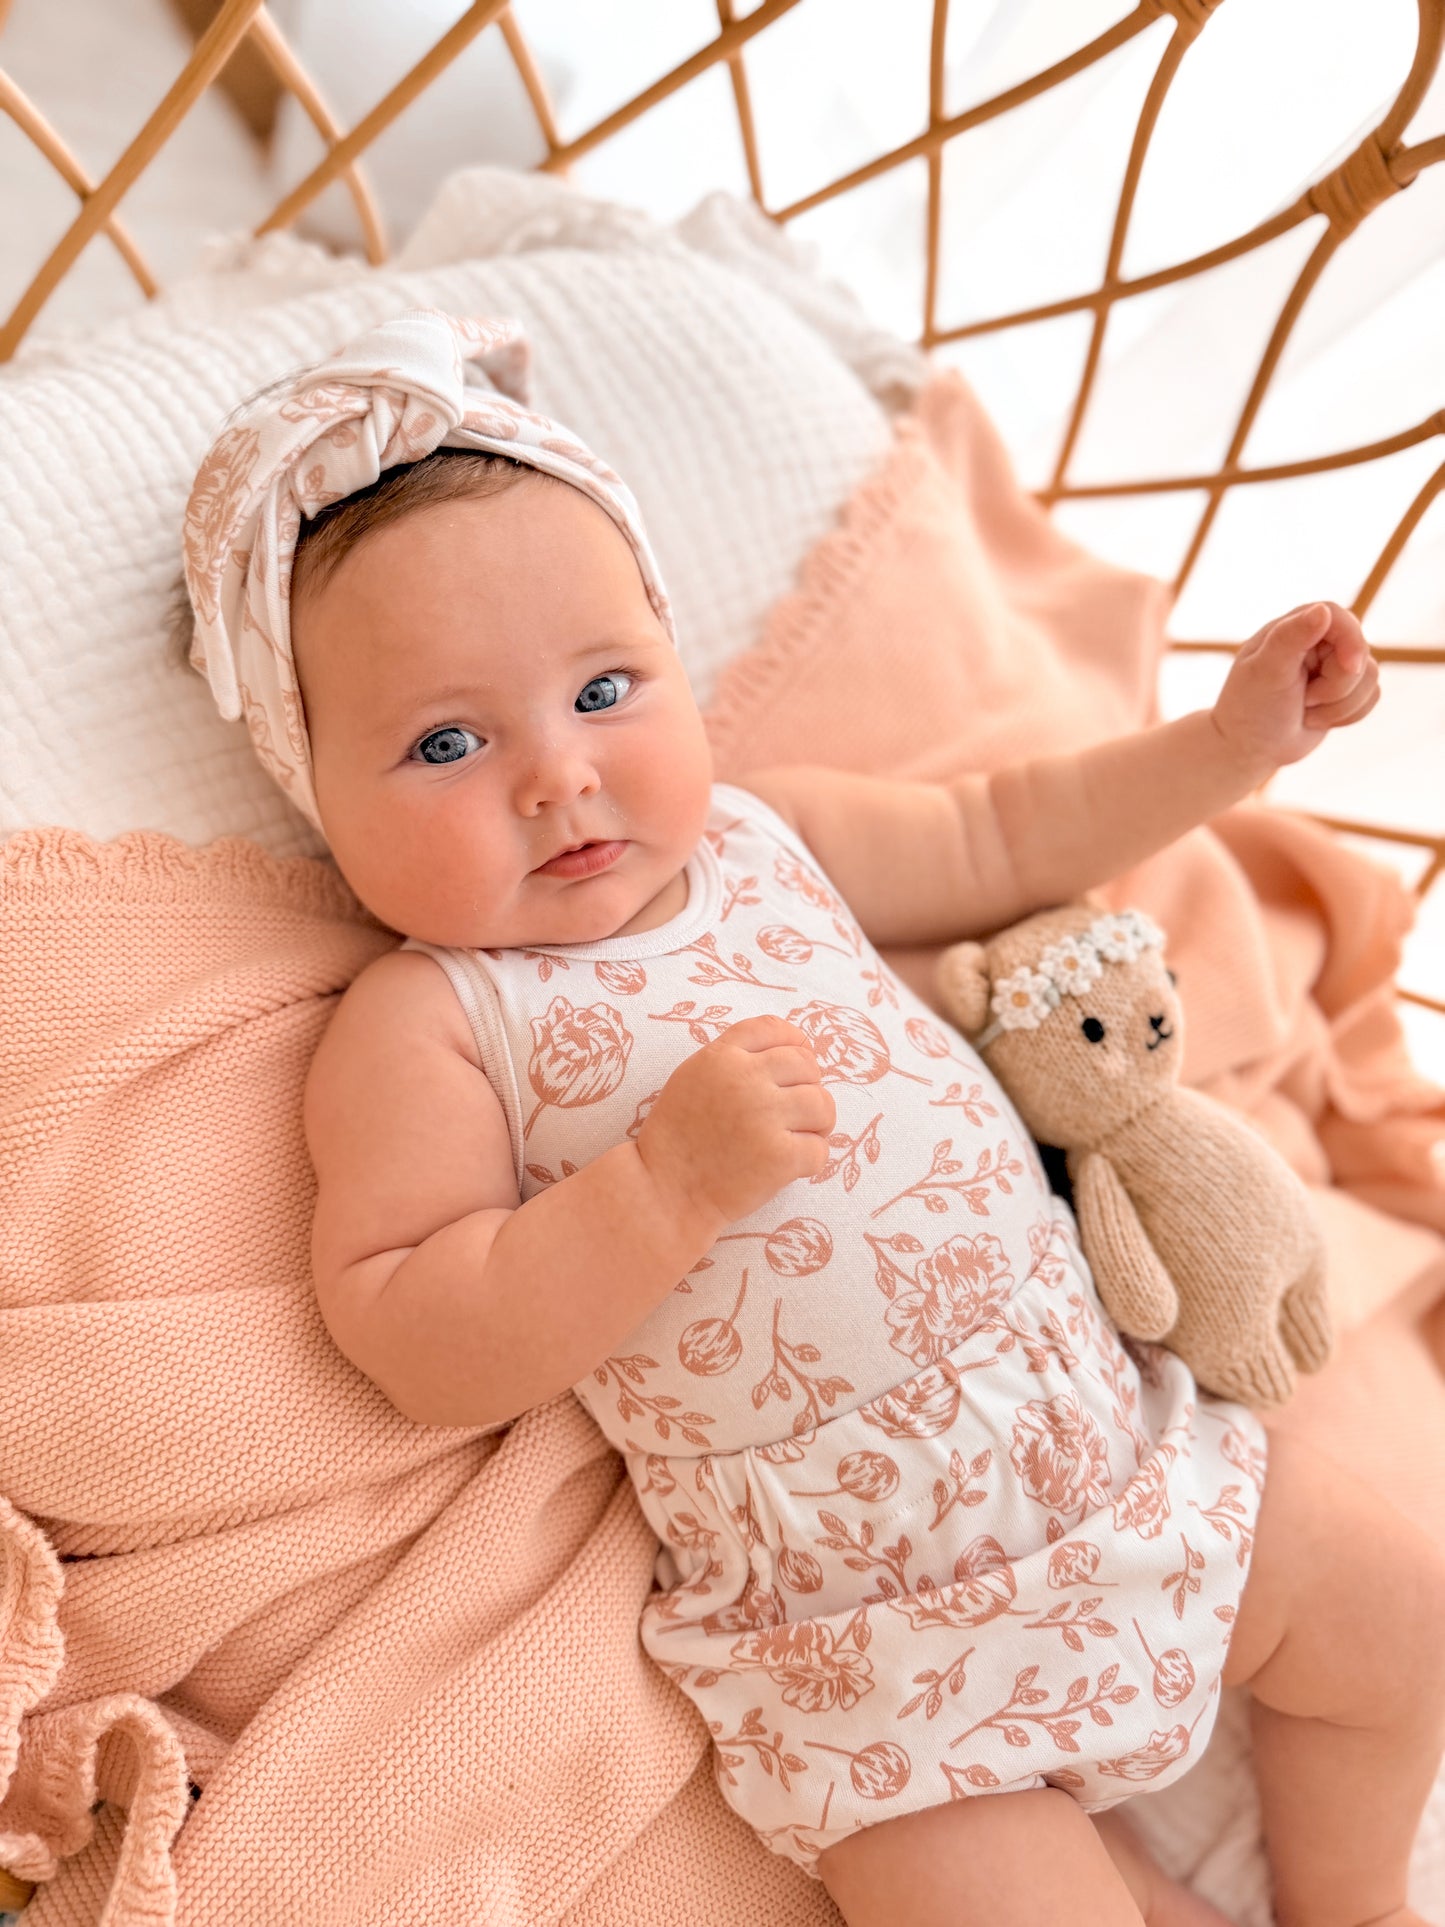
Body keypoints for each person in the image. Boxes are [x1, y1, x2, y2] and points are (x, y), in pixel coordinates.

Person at [179, 308, 1445, 1927]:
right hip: (875, 1654)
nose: (557, 779)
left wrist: (1225, 743)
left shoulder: (776, 844)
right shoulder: (433, 1018)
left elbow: (1016, 831)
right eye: (443, 742)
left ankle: (1351, 1903)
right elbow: (412, 1325)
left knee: (1396, 1614)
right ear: (313, 791)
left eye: (603, 689)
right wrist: (654, 1195)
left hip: (1120, 1463)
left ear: (670, 653)